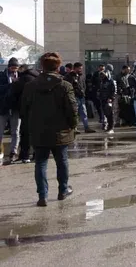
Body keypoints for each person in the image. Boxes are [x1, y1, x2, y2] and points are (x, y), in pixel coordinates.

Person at [20, 52, 78, 207]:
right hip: (61, 131)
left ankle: (42, 195)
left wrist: (30, 125)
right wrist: (73, 125)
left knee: (40, 162)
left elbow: (23, 109)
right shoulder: (65, 86)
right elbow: (72, 109)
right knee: (62, 161)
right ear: (58, 67)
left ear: (42, 66)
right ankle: (63, 190)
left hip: (38, 130)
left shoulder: (30, 86)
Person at [8, 64, 39, 164]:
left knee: (25, 133)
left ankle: (25, 155)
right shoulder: (37, 77)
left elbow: (14, 93)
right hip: (38, 109)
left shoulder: (22, 79)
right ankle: (36, 154)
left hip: (26, 109)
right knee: (36, 132)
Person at [0, 57, 20, 163]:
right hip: (3, 108)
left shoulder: (21, 76)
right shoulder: (2, 75)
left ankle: (13, 153)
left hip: (16, 108)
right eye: (12, 68)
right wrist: (10, 85)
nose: (14, 70)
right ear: (9, 67)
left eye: (16, 68)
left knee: (15, 132)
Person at [65, 63, 94, 134]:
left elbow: (84, 85)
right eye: (80, 68)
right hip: (74, 97)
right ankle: (74, 128)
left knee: (84, 113)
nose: (81, 69)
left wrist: (83, 92)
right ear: (75, 68)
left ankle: (86, 127)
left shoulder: (81, 76)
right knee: (75, 113)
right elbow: (69, 87)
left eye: (81, 68)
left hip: (81, 97)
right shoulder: (69, 76)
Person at [98, 64, 117, 133]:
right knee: (106, 113)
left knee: (110, 114)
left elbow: (113, 91)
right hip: (103, 99)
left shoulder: (110, 81)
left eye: (103, 75)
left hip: (108, 99)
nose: (101, 76)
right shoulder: (102, 82)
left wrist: (111, 98)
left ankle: (111, 127)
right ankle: (109, 126)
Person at [116, 65, 134, 129]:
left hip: (128, 94)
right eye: (127, 69)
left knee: (126, 108)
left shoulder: (129, 75)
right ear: (124, 69)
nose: (129, 71)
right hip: (121, 94)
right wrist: (120, 91)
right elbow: (116, 85)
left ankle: (125, 121)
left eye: (129, 69)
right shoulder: (118, 76)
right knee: (119, 108)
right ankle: (118, 122)